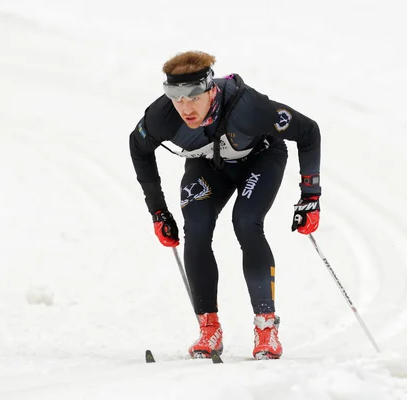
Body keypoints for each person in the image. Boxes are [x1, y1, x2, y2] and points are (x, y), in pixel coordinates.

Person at [129, 51, 321, 360]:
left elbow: (309, 132)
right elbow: (138, 148)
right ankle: (209, 329)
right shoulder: (161, 116)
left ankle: (266, 328)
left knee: (246, 222)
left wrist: (310, 196)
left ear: (210, 88)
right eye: (174, 96)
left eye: (192, 96)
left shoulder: (249, 108)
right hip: (208, 164)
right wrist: (158, 211)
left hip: (260, 158)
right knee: (197, 227)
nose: (184, 107)